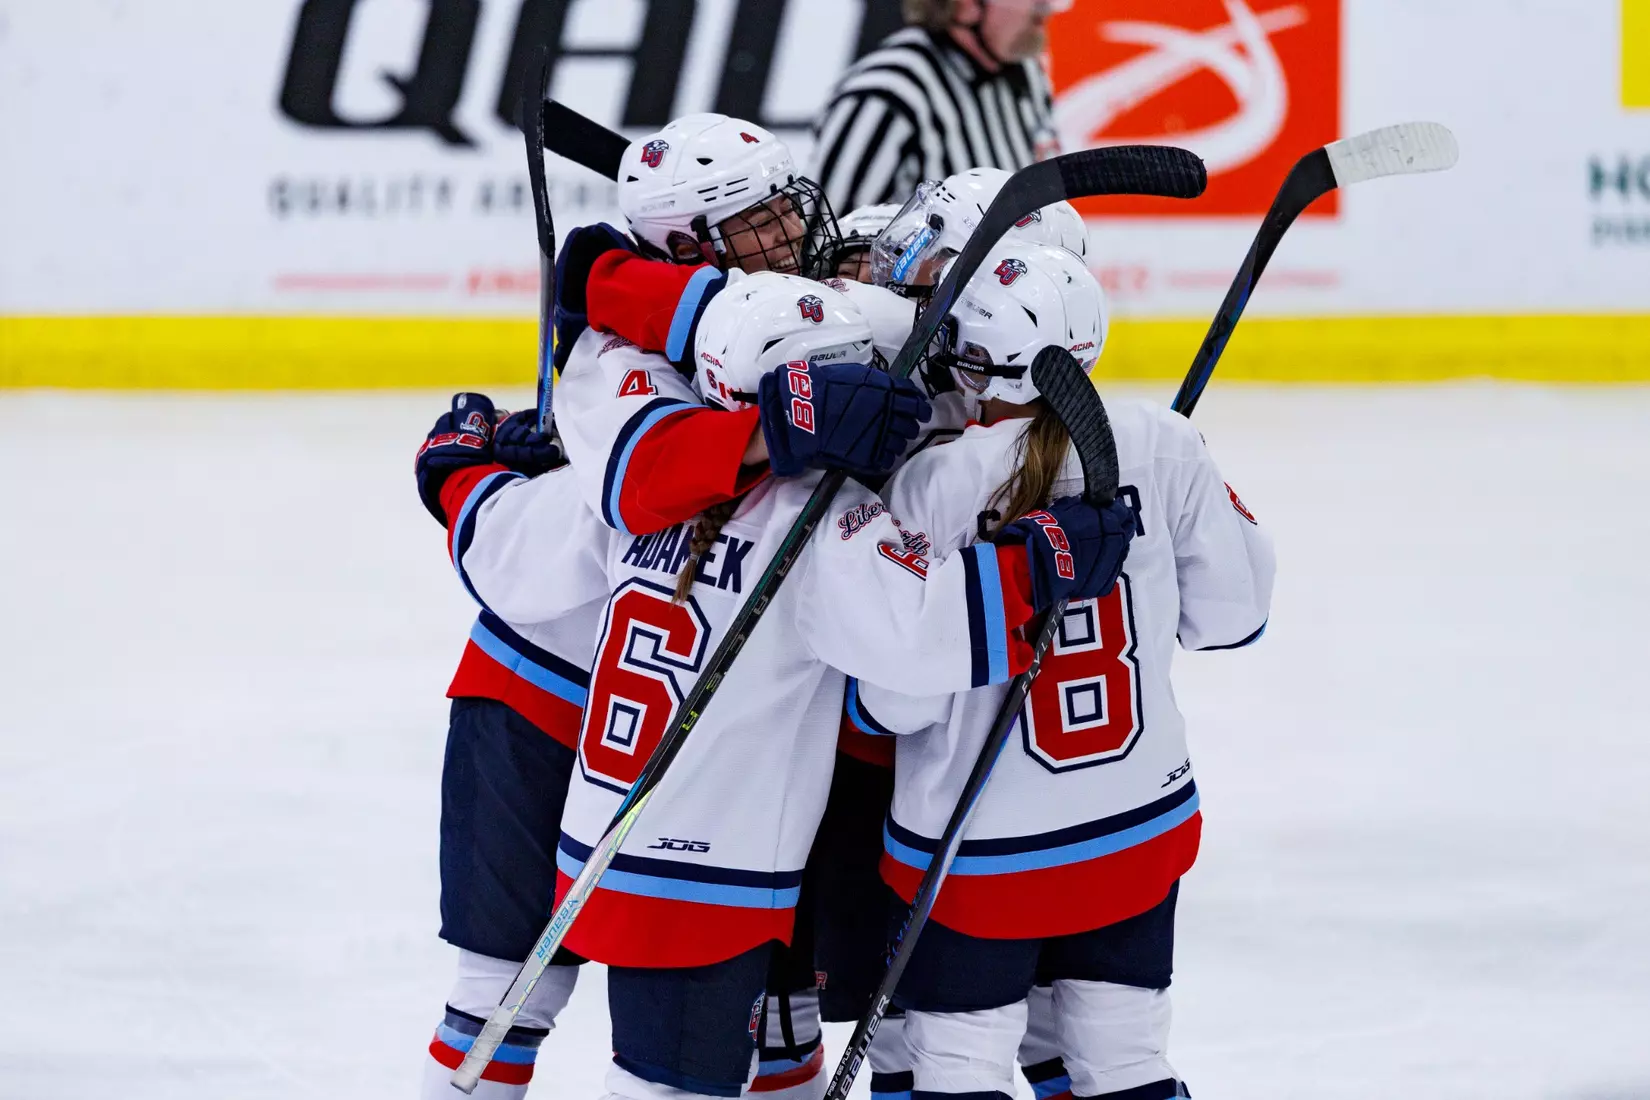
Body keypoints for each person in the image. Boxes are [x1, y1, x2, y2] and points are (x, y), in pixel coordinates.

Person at [453, 273, 1135, 1100]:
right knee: (669, 1087)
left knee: (637, 1061)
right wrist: (1040, 564)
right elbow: (917, 634)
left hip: (606, 839)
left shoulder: (634, 494)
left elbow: (503, 548)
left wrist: (455, 466)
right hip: (713, 871)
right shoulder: (822, 519)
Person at [843, 241, 1275, 1100]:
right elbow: (1235, 616)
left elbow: (897, 704)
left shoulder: (931, 482)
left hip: (977, 859)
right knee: (1125, 1067)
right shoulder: (1163, 440)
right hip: (1138, 829)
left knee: (958, 1069)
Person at [812, 0, 1070, 215]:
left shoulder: (1026, 75)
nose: (1048, 5)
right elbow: (827, 249)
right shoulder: (886, 94)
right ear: (965, 5)